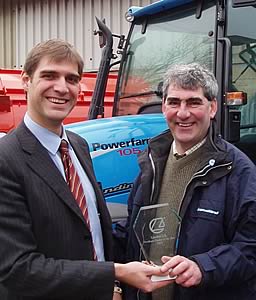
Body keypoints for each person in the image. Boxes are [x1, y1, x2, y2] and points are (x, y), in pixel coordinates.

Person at [0, 39, 171, 300]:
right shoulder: (6, 160)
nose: (61, 87)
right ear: (26, 80)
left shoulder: (78, 146)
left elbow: (92, 232)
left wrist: (112, 286)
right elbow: (18, 270)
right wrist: (116, 273)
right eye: (49, 75)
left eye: (71, 78)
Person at [125, 63, 256, 299]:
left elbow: (250, 247)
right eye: (174, 102)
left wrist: (202, 267)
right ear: (163, 106)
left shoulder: (238, 171)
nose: (183, 113)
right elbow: (130, 234)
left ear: (212, 108)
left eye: (194, 102)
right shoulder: (152, 163)